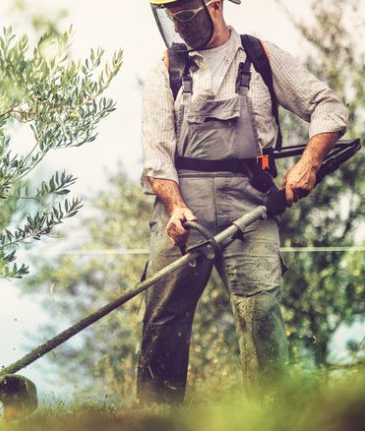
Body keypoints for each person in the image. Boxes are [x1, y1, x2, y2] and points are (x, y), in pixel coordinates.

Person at [138, 0, 349, 403]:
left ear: (214, 6)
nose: (178, 26)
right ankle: (153, 420)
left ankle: (268, 416)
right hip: (184, 209)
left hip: (252, 204)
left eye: (184, 15)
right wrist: (175, 204)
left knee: (261, 315)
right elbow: (156, 158)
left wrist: (309, 163)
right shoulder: (165, 70)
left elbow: (329, 108)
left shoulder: (259, 57)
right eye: (171, 17)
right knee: (163, 319)